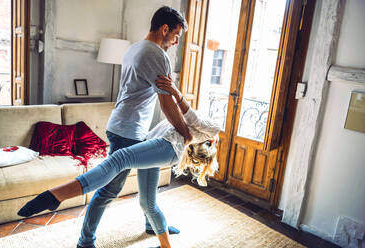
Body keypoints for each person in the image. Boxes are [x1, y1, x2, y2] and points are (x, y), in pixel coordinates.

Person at [18, 77, 220, 248]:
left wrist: (175, 91)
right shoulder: (199, 131)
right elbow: (181, 119)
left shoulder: (213, 129)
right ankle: (162, 239)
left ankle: (58, 194)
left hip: (166, 148)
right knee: (147, 202)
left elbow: (192, 117)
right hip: (156, 147)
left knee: (120, 158)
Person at [63, 6, 189, 248]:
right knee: (109, 191)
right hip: (127, 132)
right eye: (176, 36)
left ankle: (153, 225)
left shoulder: (134, 48)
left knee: (149, 188)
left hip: (132, 128)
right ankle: (85, 241)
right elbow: (166, 103)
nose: (175, 42)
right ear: (165, 29)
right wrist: (186, 133)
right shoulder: (157, 55)